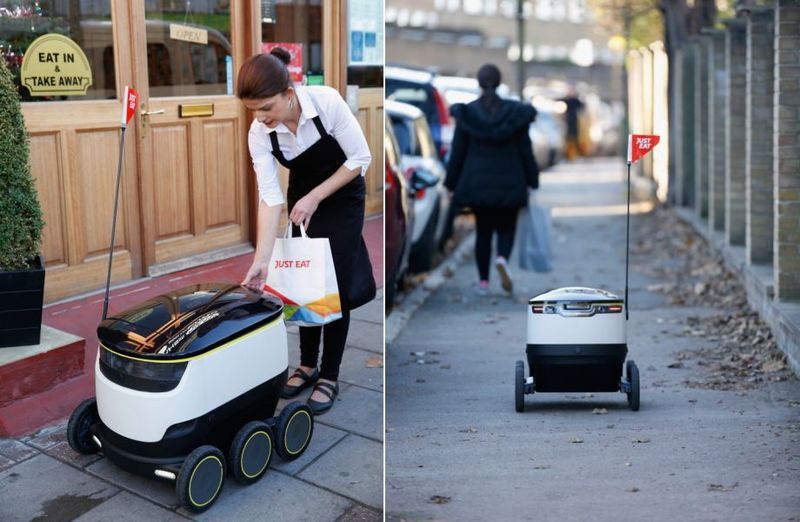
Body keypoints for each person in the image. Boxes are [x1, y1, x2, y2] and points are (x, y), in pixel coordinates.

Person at [237, 48, 375, 414]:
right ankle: (307, 365)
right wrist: (261, 261)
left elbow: (360, 159)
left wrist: (316, 197)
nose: (260, 117)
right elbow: (269, 198)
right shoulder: (260, 133)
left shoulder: (326, 102)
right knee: (305, 281)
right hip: (302, 198)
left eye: (266, 107)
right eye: (253, 110)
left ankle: (330, 374)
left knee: (335, 284)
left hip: (342, 196)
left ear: (289, 91)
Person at [445, 63, 538, 296]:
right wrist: (532, 180)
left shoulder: (467, 114)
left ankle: (484, 282)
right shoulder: (516, 113)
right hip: (511, 180)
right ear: (499, 82)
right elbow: (526, 151)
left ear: (479, 82)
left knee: (483, 231)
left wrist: (450, 183)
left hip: (477, 184)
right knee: (507, 226)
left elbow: (458, 152)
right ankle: (503, 259)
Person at [560, 85, 584, 161]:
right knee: (568, 139)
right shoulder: (567, 100)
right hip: (568, 121)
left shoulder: (575, 100)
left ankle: (577, 154)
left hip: (574, 120)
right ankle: (568, 155)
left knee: (575, 138)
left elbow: (582, 105)